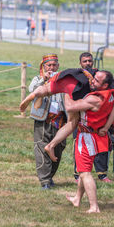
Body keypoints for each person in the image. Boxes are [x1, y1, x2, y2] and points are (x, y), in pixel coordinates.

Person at [65, 70, 114, 213]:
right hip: (98, 136)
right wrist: (106, 127)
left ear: (105, 84)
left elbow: (69, 107)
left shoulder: (95, 99)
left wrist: (66, 90)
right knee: (85, 170)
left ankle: (94, 207)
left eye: (96, 81)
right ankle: (77, 198)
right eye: (93, 78)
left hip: (87, 137)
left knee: (84, 173)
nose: (92, 81)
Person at [28, 54, 67, 190]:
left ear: (58, 66)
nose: (51, 68)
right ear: (44, 67)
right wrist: (44, 80)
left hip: (61, 120)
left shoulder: (63, 80)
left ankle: (49, 176)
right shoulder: (37, 79)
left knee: (58, 148)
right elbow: (32, 91)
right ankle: (44, 180)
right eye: (48, 65)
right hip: (43, 119)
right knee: (41, 148)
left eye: (54, 65)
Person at [73, 52, 112, 182]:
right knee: (79, 147)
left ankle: (102, 174)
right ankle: (79, 174)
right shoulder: (77, 76)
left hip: (98, 117)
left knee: (101, 147)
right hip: (81, 116)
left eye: (90, 61)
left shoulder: (99, 76)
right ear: (80, 63)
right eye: (85, 61)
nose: (88, 63)